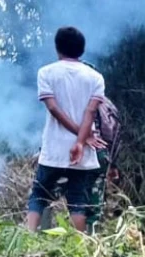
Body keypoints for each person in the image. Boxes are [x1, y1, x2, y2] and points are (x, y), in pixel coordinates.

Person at [25, 26, 107, 234]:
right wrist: (81, 140)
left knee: (38, 196)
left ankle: (27, 238)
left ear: (57, 48)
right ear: (81, 50)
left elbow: (53, 108)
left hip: (53, 148)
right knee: (78, 199)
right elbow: (90, 112)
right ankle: (79, 247)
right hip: (82, 152)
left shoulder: (46, 73)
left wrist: (80, 137)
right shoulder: (96, 78)